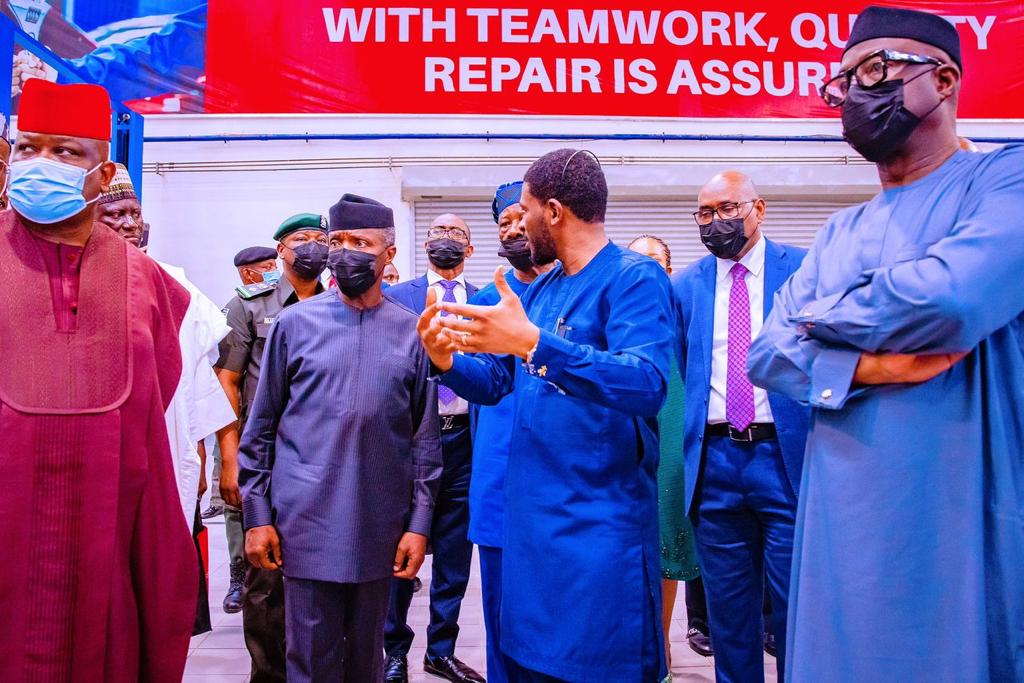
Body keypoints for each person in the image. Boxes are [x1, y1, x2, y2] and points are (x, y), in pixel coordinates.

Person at [747, 7, 1024, 681]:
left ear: (945, 78)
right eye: (843, 83)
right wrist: (869, 365)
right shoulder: (841, 230)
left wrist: (818, 314)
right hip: (837, 533)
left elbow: (947, 298)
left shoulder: (1003, 182)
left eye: (875, 70)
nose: (855, 94)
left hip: (954, 519)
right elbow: (766, 354)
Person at [419, 148, 673, 681]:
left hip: (598, 534)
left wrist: (537, 344)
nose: (518, 223)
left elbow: (646, 382)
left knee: (597, 667)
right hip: (531, 531)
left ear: (553, 212)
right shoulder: (543, 290)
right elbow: (494, 382)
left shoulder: (633, 278)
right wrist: (445, 361)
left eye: (526, 209)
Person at [0, 78, 196, 682]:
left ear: (103, 170)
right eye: (28, 147)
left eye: (65, 153)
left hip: (109, 542)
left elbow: (151, 412)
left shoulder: (155, 287)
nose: (40, 164)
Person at [238, 193, 443, 682]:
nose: (346, 251)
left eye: (361, 242)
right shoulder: (294, 325)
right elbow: (261, 427)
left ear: (389, 254)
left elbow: (425, 441)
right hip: (304, 524)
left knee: (367, 661)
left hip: (380, 526)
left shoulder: (410, 333)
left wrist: (418, 523)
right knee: (308, 660)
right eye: (338, 241)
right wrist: (257, 515)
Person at [673, 171, 808, 683]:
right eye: (705, 213)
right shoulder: (685, 285)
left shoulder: (801, 268)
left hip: (785, 459)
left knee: (796, 607)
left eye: (728, 208)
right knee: (729, 617)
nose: (716, 222)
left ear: (759, 209)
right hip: (715, 463)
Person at [98, 163, 235, 635]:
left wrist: (203, 454)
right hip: (98, 454)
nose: (127, 224)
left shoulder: (178, 287)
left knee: (157, 577)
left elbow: (199, 381)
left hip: (164, 447)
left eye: (133, 213)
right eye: (112, 214)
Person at [215, 213, 328, 682]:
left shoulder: (340, 300)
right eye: (300, 239)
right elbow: (228, 380)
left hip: (322, 459)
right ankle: (268, 673)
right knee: (264, 577)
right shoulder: (248, 304)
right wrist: (230, 459)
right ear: (280, 249)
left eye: (321, 239)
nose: (311, 247)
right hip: (266, 461)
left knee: (321, 571)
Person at [384, 212, 483, 683]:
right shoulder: (397, 298)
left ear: (470, 248)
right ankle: (394, 650)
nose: (446, 239)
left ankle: (440, 649)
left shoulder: (485, 302)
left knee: (454, 554)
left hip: (465, 439)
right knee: (402, 548)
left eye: (456, 234)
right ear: (424, 244)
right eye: (438, 232)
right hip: (413, 442)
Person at [470, 181, 555, 683]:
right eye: (505, 222)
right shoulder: (486, 300)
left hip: (562, 483)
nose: (515, 229)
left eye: (523, 218)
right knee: (503, 614)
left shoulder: (577, 288)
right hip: (501, 476)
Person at [627, 234, 701, 680]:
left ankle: (663, 647)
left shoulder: (683, 314)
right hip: (629, 426)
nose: (649, 269)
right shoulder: (620, 311)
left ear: (669, 269)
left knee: (667, 534)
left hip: (673, 426)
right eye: (639, 261)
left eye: (656, 260)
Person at [203, 245, 280, 522]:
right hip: (247, 423)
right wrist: (229, 457)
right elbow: (226, 380)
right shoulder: (239, 308)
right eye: (268, 267)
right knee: (242, 513)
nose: (276, 271)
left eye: (275, 265)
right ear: (248, 274)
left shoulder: (296, 301)